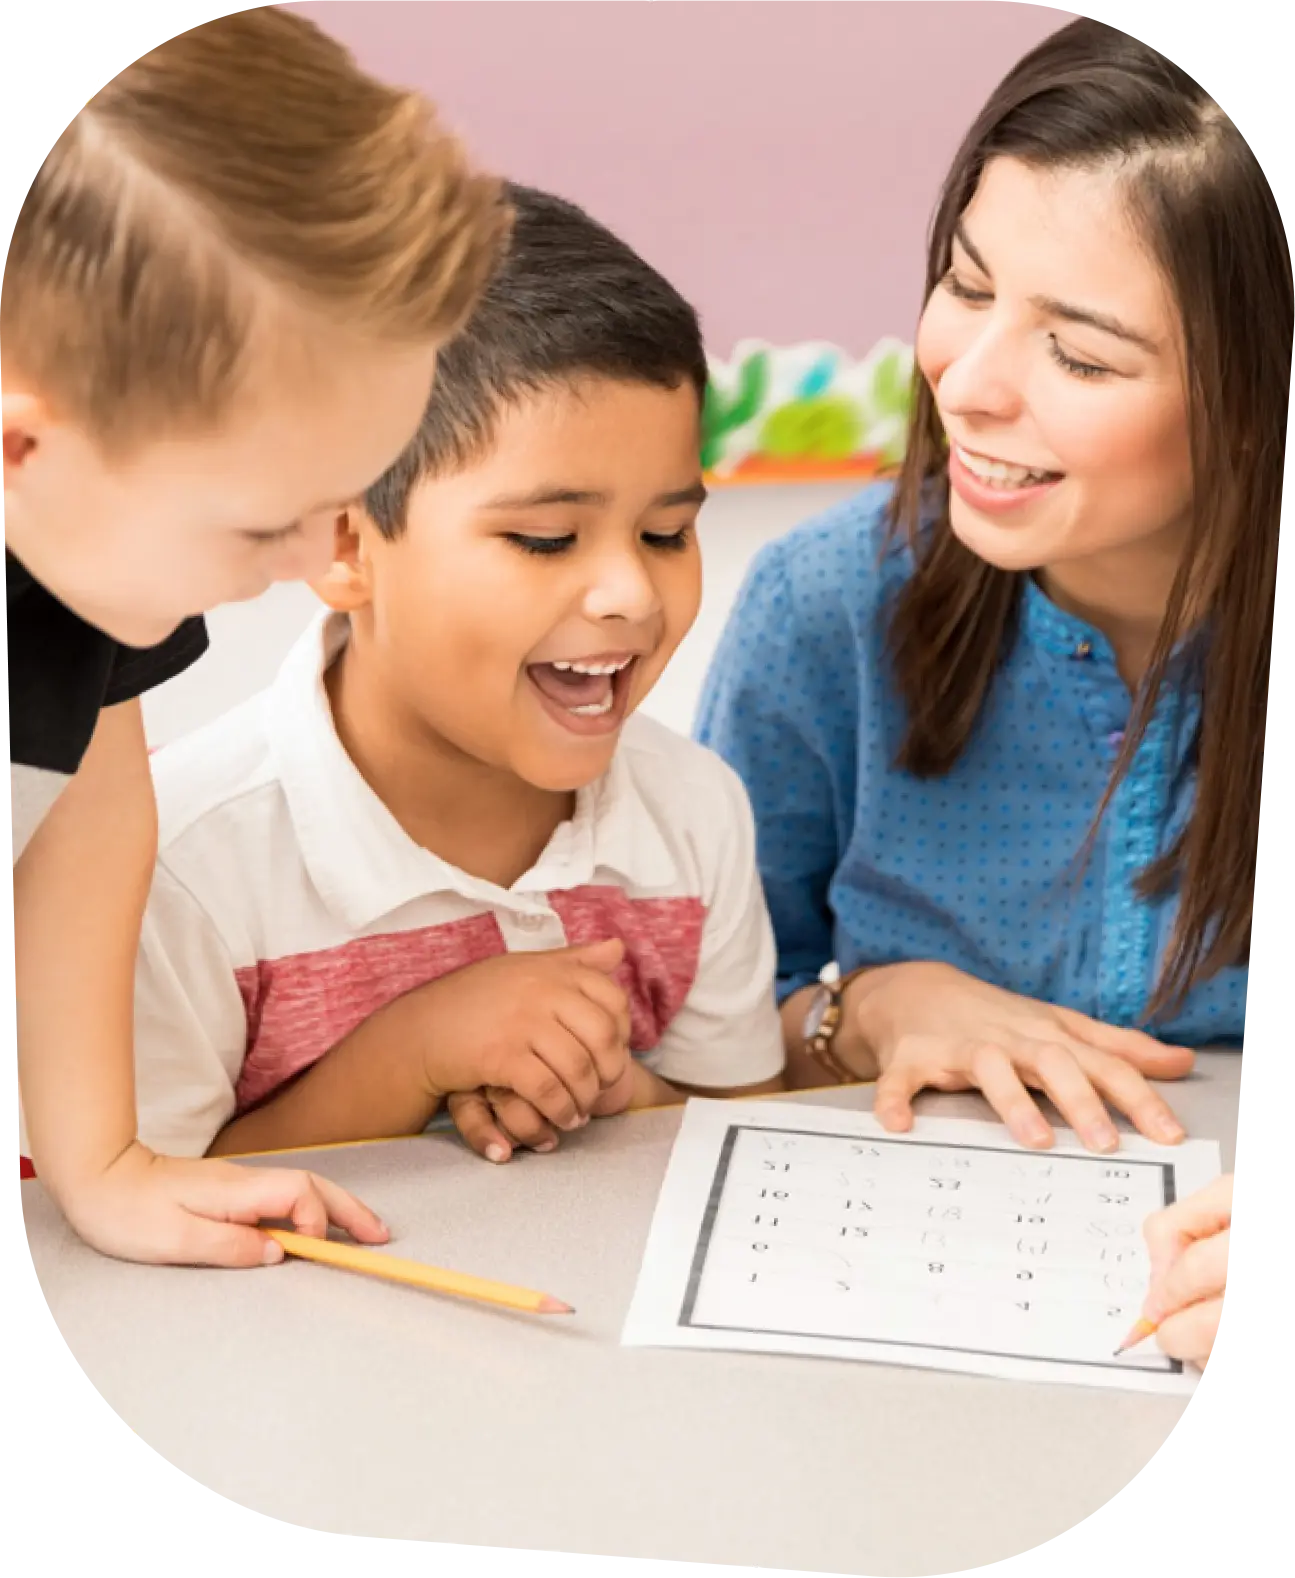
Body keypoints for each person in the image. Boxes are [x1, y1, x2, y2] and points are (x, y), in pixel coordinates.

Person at [696, 18, 1288, 1364]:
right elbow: (696, 1020)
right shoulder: (819, 609)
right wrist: (869, 1007)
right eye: (963, 287)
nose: (962, 385)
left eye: (1077, 358)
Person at [66, 183, 785, 1170]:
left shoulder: (694, 814)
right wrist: (409, 1057)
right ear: (345, 543)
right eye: (544, 539)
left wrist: (619, 1090)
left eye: (666, 532)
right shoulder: (179, 865)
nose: (629, 592)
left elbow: (741, 1138)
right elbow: (135, 1202)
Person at [3, 8, 510, 1265]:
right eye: (268, 526)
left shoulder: (77, 566)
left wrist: (104, 1161)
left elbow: (81, 811)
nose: (311, 567)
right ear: (20, 446)